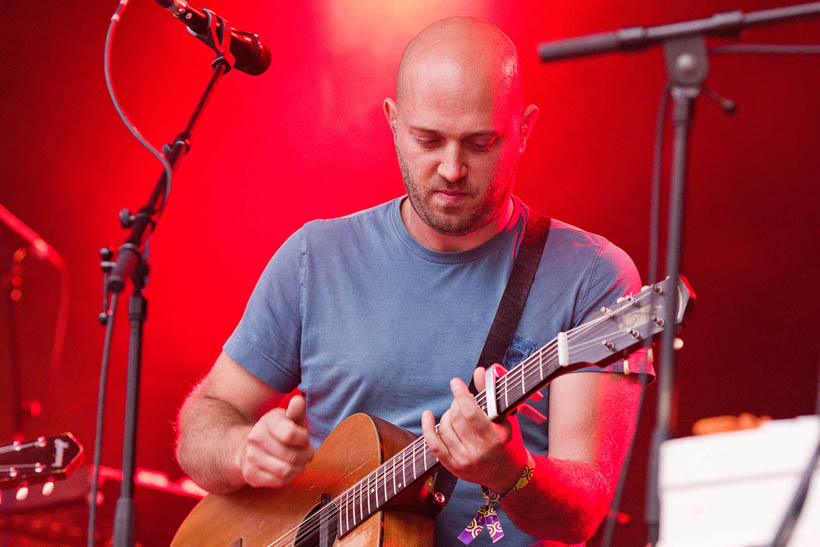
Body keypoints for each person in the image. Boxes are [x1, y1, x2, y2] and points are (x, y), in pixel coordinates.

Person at [175, 16, 651, 547]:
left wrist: (510, 471)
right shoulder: (315, 256)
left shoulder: (592, 276)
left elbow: (581, 515)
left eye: (480, 142)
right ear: (393, 121)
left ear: (524, 130)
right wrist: (243, 449)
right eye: (428, 139)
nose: (452, 167)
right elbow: (204, 421)